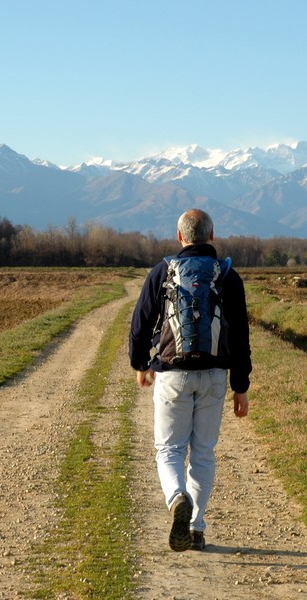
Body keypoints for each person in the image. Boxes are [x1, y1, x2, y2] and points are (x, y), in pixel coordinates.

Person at [129, 208, 252, 552]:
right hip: (214, 375)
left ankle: (176, 498)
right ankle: (196, 529)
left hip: (172, 375)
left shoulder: (163, 272)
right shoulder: (228, 277)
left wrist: (141, 364)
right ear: (212, 237)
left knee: (169, 450)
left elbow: (140, 325)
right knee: (203, 453)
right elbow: (241, 338)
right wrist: (240, 387)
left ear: (179, 237)